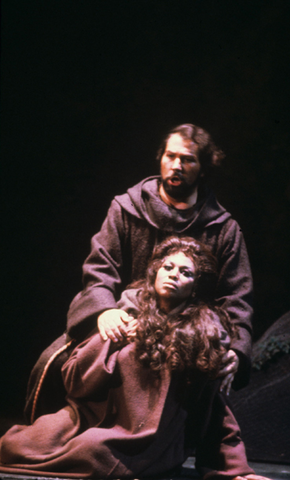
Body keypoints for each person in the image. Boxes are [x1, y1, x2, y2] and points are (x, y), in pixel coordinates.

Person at [25, 123, 253, 424]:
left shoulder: (223, 229)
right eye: (170, 156)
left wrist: (236, 350)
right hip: (125, 317)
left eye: (188, 159)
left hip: (188, 329)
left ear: (203, 168)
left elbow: (236, 297)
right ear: (160, 158)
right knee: (52, 364)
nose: (177, 166)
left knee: (209, 377)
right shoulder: (125, 208)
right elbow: (99, 267)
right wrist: (103, 311)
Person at [0, 237, 261, 480]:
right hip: (89, 415)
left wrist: (234, 469)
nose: (174, 274)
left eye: (186, 272)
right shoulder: (124, 313)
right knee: (13, 444)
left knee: (93, 452)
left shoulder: (204, 334)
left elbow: (215, 406)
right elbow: (75, 378)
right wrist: (115, 338)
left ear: (195, 286)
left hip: (143, 440)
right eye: (168, 266)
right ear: (155, 271)